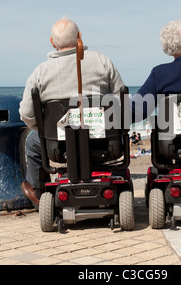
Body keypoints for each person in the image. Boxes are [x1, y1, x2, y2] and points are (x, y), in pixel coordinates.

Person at [19, 18, 125, 208]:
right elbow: (120, 101)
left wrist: (44, 129)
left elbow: (27, 114)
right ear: (79, 37)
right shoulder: (102, 61)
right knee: (116, 131)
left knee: (32, 141)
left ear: (52, 42)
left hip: (59, 146)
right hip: (104, 142)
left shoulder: (40, 72)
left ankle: (38, 191)